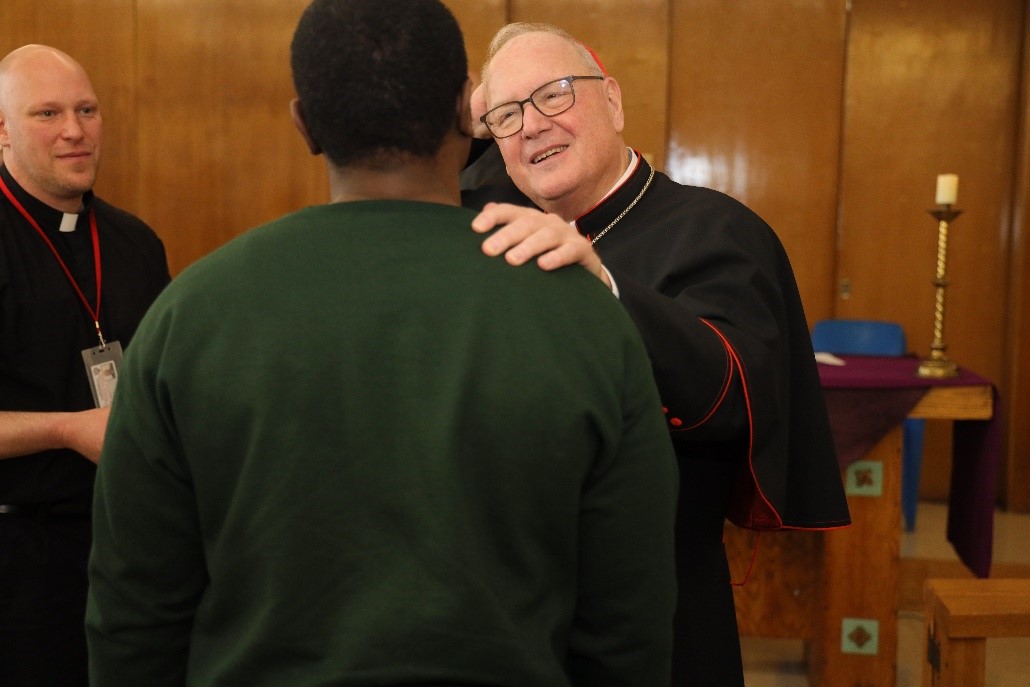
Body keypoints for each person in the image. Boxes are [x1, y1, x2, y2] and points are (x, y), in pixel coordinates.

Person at [85, 2, 678, 685]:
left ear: (303, 123)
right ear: (468, 111)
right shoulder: (584, 315)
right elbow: (629, 624)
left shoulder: (187, 316)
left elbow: (133, 615)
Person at [461, 23, 851, 686]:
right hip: (509, 610)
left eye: (555, 95)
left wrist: (605, 287)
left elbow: (733, 393)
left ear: (611, 101)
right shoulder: (485, 227)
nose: (531, 126)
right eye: (506, 114)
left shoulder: (718, 229)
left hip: (662, 609)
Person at [0, 45, 170, 686]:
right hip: (18, 561)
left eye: (87, 110)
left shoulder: (134, 242)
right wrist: (68, 429)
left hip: (126, 545)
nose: (75, 130)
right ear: (3, 131)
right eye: (47, 113)